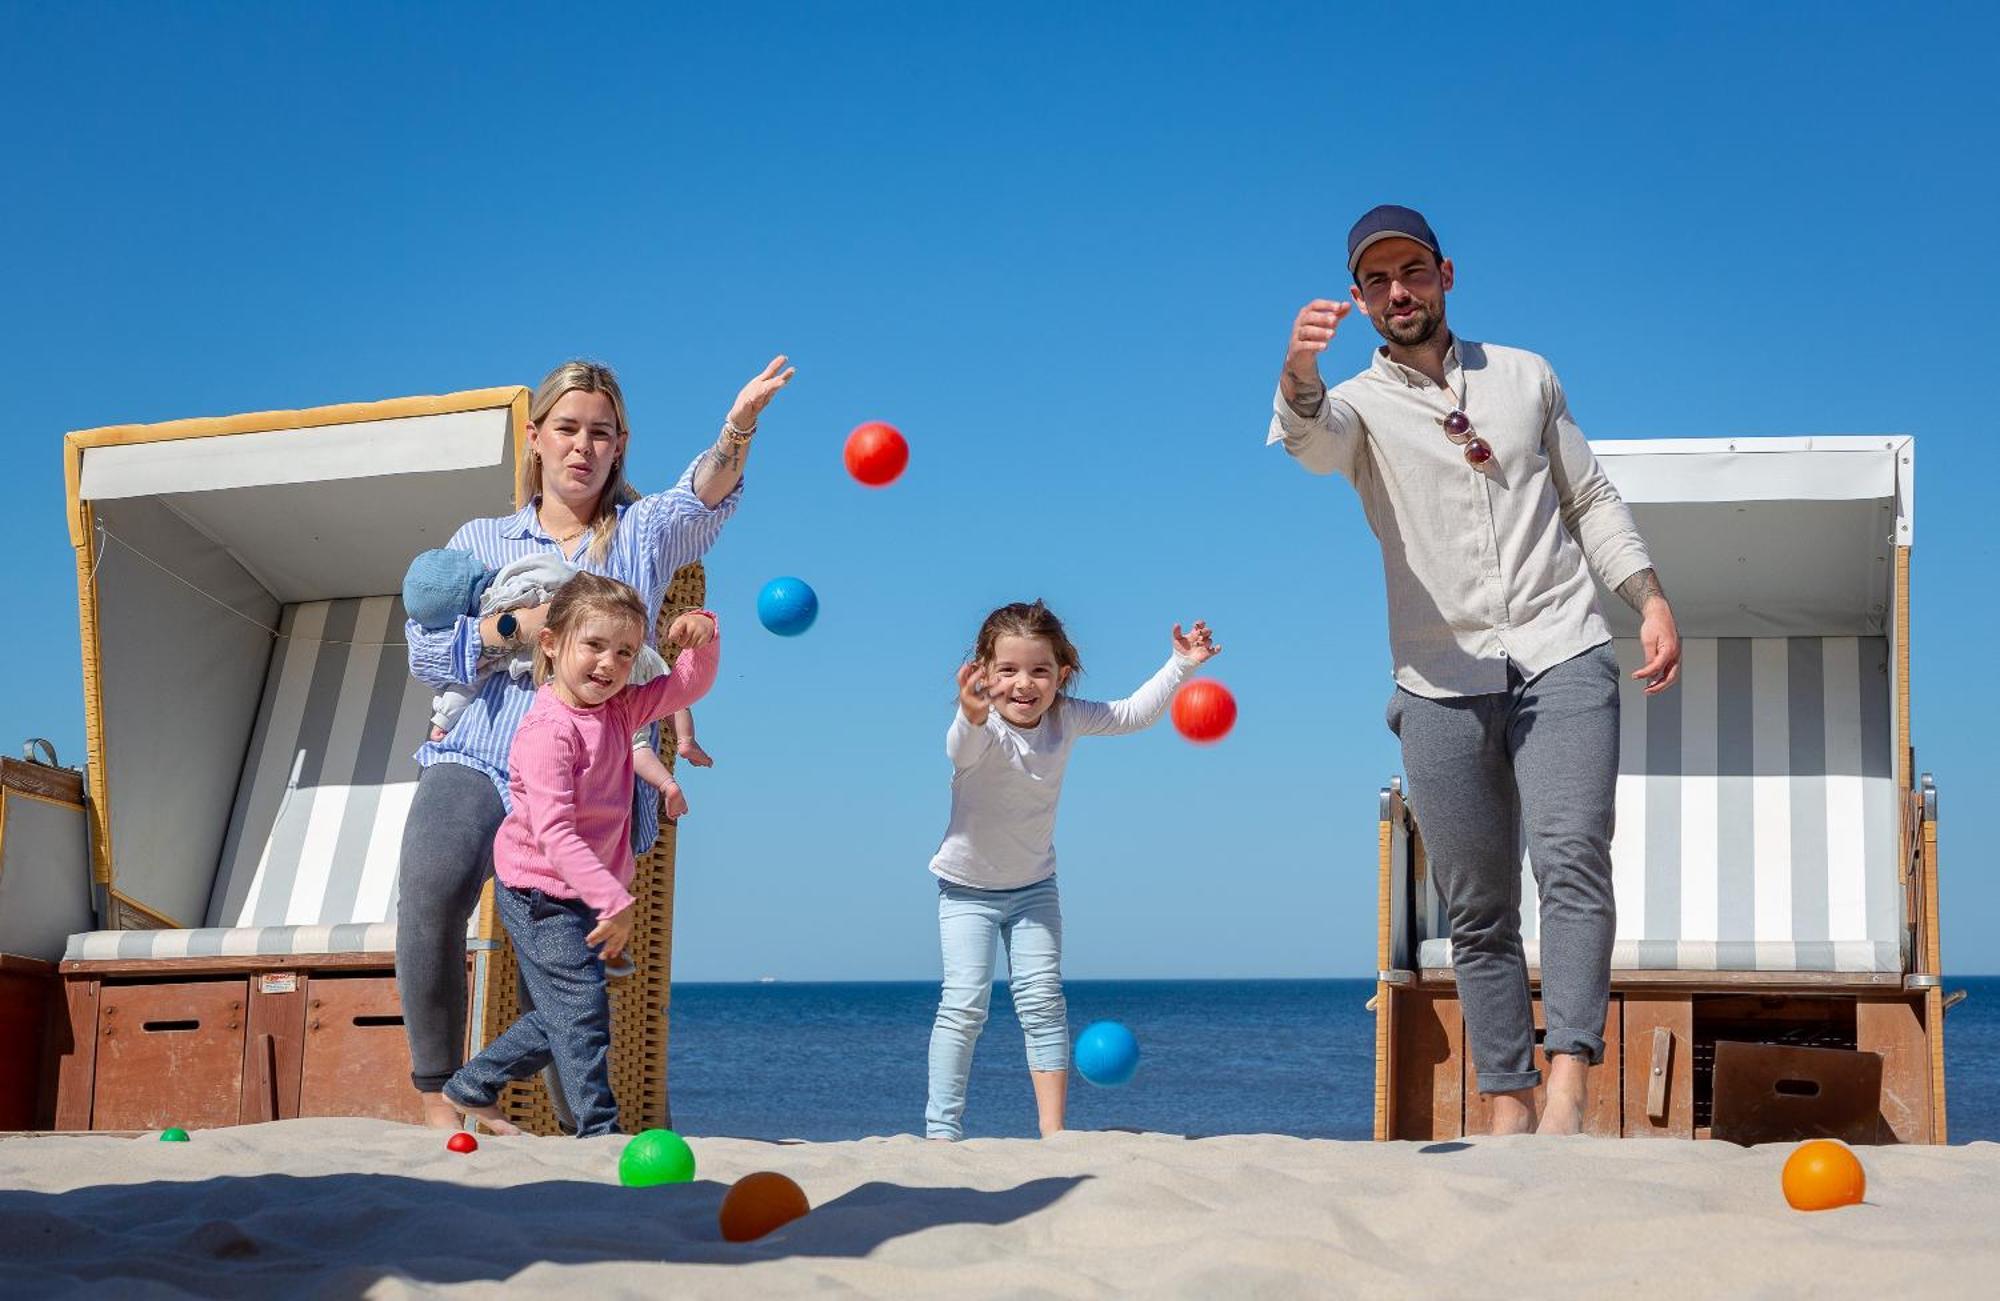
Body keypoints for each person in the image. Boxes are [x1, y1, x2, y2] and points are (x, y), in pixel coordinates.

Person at [1268, 204, 1681, 1136]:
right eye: (1376, 281)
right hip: (1436, 678)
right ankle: (1507, 1097)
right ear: (1360, 298)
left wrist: (1648, 598)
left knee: (1573, 860)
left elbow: (1590, 496)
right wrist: (1298, 372)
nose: (1396, 292)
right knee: (1478, 904)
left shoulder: (1527, 376)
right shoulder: (1358, 407)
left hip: (1562, 647)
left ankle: (1569, 1085)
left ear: (1446, 274)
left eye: (1411, 272)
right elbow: (1311, 442)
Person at [399, 354, 791, 1130]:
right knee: (429, 891)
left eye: (601, 433)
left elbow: (705, 492)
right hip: (481, 747)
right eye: (568, 429)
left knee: (570, 971)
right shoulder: (482, 537)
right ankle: (437, 1101)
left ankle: (573, 1128)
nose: (583, 446)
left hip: (597, 780)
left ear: (620, 445)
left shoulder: (642, 532)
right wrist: (518, 626)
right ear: (537, 438)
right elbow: (424, 652)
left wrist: (738, 423)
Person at [925, 600, 1221, 1141]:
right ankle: (942, 1133)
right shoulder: (982, 727)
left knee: (1041, 1002)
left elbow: (1132, 714)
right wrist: (968, 713)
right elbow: (958, 750)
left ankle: (1054, 1132)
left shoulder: (1067, 716)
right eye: (1008, 670)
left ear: (1062, 674)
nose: (1024, 683)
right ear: (985, 674)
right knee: (964, 1005)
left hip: (1035, 886)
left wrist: (1181, 665)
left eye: (1039, 670)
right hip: (966, 891)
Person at [443, 573, 720, 1136]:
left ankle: (473, 1085)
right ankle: (598, 1129)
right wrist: (611, 896)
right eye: (593, 645)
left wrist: (704, 636)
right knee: (583, 1012)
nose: (609, 664)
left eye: (624, 652)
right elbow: (553, 831)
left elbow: (686, 689)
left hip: (586, 894)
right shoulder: (549, 731)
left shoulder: (619, 712)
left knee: (565, 1013)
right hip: (538, 890)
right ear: (551, 643)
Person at [402, 547, 710, 821]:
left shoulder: (486, 618)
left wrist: (443, 718)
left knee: (636, 742)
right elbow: (562, 573)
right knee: (668, 688)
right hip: (615, 645)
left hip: (587, 675)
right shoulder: (522, 570)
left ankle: (667, 780)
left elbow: (467, 683)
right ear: (475, 566)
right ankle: (685, 739)